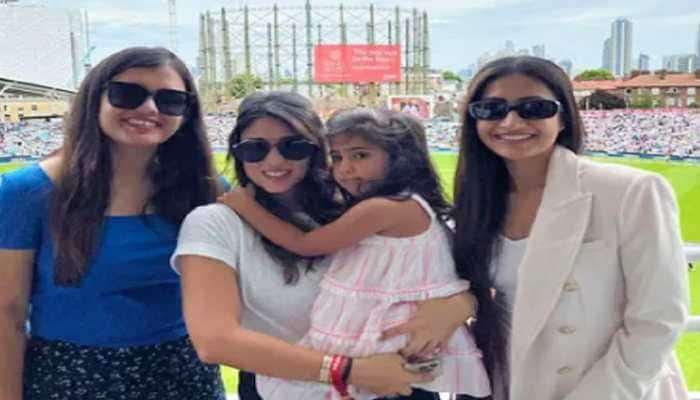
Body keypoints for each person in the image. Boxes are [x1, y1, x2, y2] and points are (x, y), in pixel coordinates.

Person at [172, 91, 477, 400]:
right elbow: (215, 341)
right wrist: (350, 371)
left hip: (400, 381)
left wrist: (460, 304)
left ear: (317, 150)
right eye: (254, 149)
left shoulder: (357, 205)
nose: (274, 160)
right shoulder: (216, 223)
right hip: (301, 387)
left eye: (294, 146)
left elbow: (448, 267)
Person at [452, 55, 689, 400]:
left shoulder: (629, 192)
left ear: (563, 117)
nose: (511, 120)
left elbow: (658, 319)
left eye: (534, 107)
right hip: (510, 385)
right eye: (491, 109)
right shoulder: (476, 205)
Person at [0, 47, 226, 400]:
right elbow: (7, 314)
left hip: (185, 378)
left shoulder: (205, 191)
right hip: (69, 381)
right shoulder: (25, 194)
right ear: (95, 99)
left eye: (170, 100)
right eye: (128, 94)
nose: (149, 109)